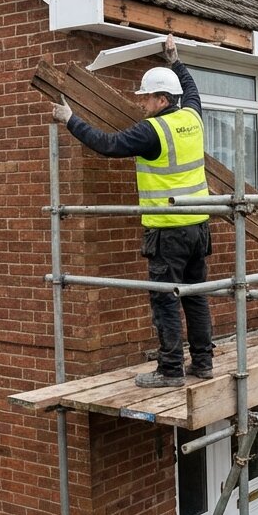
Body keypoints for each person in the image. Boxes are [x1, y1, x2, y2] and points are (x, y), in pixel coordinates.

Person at [50, 36, 215, 388]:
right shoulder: (193, 117)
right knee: (196, 296)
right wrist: (176, 60)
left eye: (146, 98)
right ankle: (203, 363)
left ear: (162, 99)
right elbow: (192, 89)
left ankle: (171, 371)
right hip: (199, 227)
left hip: (168, 230)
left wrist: (69, 119)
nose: (142, 104)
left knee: (166, 300)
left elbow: (108, 145)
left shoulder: (152, 130)